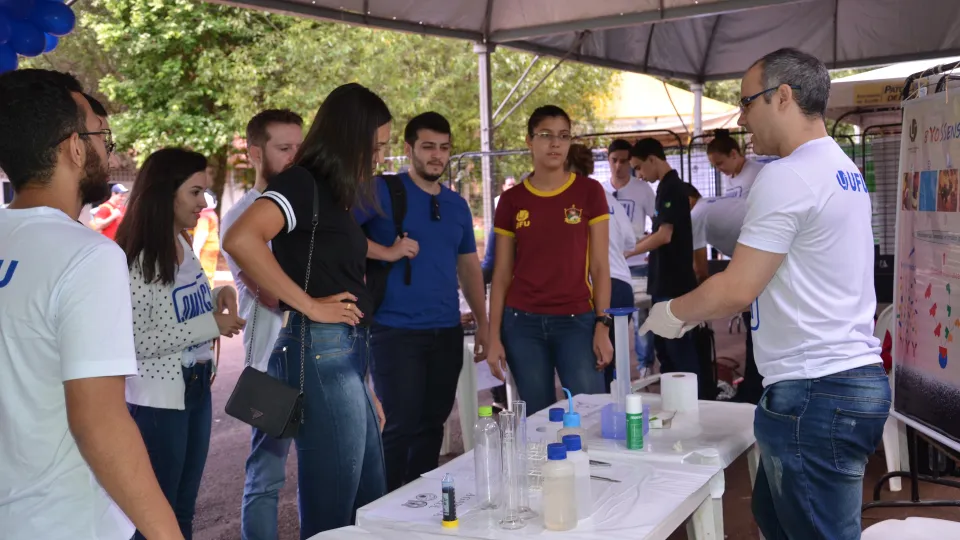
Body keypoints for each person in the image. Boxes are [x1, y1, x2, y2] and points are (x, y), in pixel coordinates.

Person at [641, 48, 890, 539]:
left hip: (815, 390)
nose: (741, 118)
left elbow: (737, 287)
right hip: (838, 381)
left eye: (747, 102)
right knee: (776, 520)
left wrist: (671, 312)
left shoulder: (788, 174)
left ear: (782, 97)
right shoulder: (842, 167)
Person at [0, 69, 182, 540]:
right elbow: (99, 423)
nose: (111, 151)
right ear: (74, 148)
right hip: (63, 521)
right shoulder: (87, 256)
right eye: (102, 136)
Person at [222, 83, 391, 538]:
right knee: (335, 512)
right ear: (349, 138)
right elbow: (239, 239)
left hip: (344, 355)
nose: (378, 158)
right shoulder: (302, 182)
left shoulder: (332, 193)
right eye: (375, 147)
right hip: (319, 352)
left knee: (369, 501)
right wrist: (309, 305)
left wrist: (363, 386)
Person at [116, 148, 246, 540]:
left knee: (184, 510)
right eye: (195, 192)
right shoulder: (136, 259)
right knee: (156, 517)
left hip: (195, 388)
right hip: (158, 403)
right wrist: (210, 325)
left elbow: (183, 310)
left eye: (205, 192)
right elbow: (136, 341)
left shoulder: (184, 244)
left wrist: (218, 295)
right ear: (164, 193)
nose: (204, 203)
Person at [358, 112, 488, 491]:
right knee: (399, 426)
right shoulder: (381, 191)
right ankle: (380, 518)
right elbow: (337, 234)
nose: (437, 156)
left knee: (433, 426)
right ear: (408, 148)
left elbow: (468, 268)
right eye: (428, 146)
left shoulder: (456, 205)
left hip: (446, 331)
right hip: (394, 332)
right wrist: (386, 251)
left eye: (444, 148)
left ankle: (420, 512)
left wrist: (484, 323)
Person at [486, 105, 614, 415]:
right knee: (536, 420)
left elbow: (600, 266)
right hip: (522, 325)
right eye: (545, 135)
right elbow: (501, 274)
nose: (555, 144)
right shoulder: (512, 200)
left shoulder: (589, 192)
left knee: (589, 414)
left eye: (563, 136)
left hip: (577, 322)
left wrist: (602, 324)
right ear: (529, 141)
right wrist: (493, 338)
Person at [221, 109, 304, 540]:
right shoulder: (243, 215)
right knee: (267, 473)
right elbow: (271, 293)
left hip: (314, 349)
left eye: (299, 148)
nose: (295, 158)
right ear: (255, 153)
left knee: (323, 465)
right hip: (271, 358)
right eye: (284, 148)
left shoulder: (305, 203)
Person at [626, 138, 700, 379]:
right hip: (664, 281)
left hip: (673, 283)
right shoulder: (665, 188)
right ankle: (677, 402)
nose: (638, 174)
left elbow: (664, 236)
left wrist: (628, 252)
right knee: (666, 351)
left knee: (677, 350)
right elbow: (658, 234)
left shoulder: (672, 188)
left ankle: (693, 402)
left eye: (638, 167)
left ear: (652, 159)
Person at [567, 143, 637, 389]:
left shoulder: (570, 199)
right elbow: (630, 240)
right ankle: (617, 416)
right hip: (622, 286)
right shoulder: (607, 197)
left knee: (593, 366)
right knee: (611, 363)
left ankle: (598, 418)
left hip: (595, 287)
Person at [683, 183, 760, 403]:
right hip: (766, 255)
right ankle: (754, 385)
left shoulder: (696, 214)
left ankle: (754, 391)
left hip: (760, 260)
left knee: (755, 325)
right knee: (755, 324)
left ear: (688, 201)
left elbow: (701, 269)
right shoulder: (712, 203)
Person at [602, 138, 657, 376]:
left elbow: (658, 224)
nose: (618, 166)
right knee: (610, 320)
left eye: (624, 161)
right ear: (608, 160)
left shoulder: (642, 189)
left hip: (638, 264)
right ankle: (614, 368)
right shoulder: (601, 190)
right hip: (611, 266)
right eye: (614, 160)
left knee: (641, 317)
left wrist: (647, 248)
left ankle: (645, 365)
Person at [706, 130, 765, 199]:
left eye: (719, 163)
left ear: (733, 154)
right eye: (715, 166)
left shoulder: (758, 172)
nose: (718, 169)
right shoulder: (729, 177)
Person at [191, 191, 220, 283]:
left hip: (206, 248)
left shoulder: (204, 216)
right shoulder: (212, 214)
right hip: (212, 247)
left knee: (204, 275)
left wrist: (195, 254)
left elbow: (201, 235)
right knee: (209, 274)